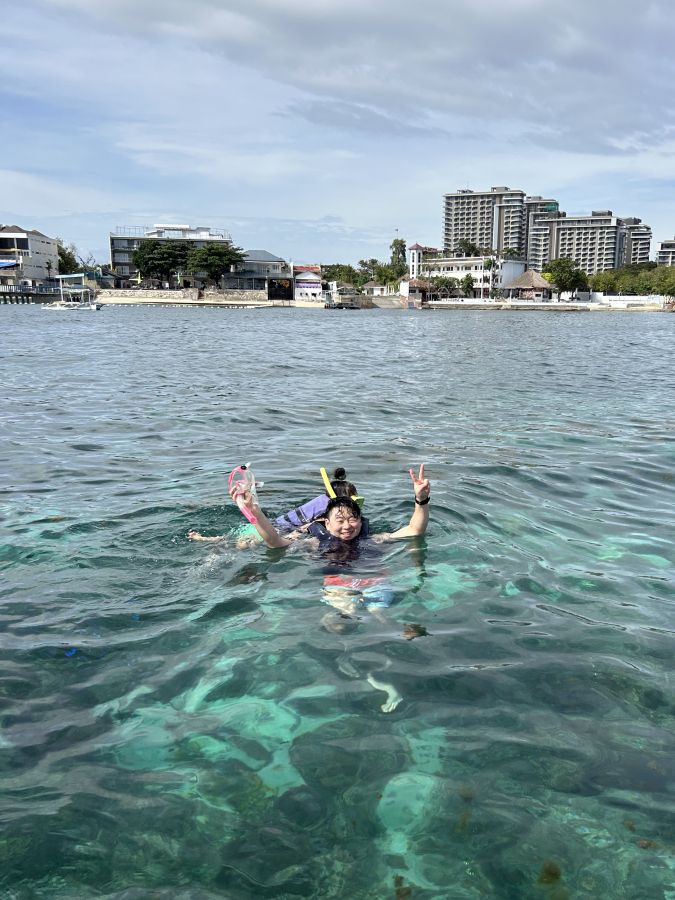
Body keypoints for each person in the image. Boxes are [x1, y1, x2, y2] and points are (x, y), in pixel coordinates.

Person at [230, 464, 430, 549]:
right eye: (340, 520)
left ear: (360, 521)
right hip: (334, 583)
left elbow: (414, 530)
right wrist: (254, 511)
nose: (347, 526)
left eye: (352, 519)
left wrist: (421, 499)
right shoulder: (315, 542)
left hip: (367, 575)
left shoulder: (371, 539)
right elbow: (275, 542)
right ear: (326, 522)